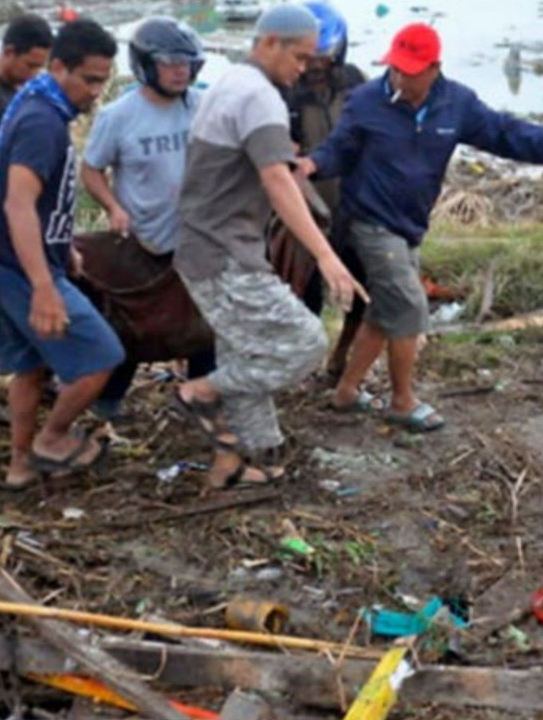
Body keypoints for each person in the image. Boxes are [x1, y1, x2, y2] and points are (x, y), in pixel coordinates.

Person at [298, 22, 543, 432]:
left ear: (434, 68)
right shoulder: (365, 101)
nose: (399, 77)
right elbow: (338, 149)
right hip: (367, 221)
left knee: (386, 308)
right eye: (395, 67)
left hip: (408, 224)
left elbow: (502, 131)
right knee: (410, 305)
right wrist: (312, 164)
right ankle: (402, 400)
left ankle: (346, 391)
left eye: (410, 70)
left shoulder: (456, 104)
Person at [172, 4, 365, 491]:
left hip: (208, 245)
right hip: (221, 253)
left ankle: (248, 459)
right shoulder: (260, 96)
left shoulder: (232, 83)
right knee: (304, 342)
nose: (303, 68)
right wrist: (326, 255)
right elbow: (276, 179)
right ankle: (200, 391)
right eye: (299, 57)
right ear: (270, 43)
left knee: (247, 348)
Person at [0, 19, 125, 488]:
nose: (97, 92)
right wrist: (44, 285)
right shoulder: (42, 122)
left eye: (104, 80)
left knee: (29, 366)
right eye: (91, 79)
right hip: (20, 268)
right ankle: (53, 438)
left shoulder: (38, 103)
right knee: (102, 355)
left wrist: (62, 248)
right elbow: (17, 203)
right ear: (59, 67)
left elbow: (40, 202)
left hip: (8, 258)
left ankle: (20, 466)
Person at [80, 16, 213, 420]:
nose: (180, 71)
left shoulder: (201, 105)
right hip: (144, 240)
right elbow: (91, 169)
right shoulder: (119, 117)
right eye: (170, 63)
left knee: (205, 323)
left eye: (187, 63)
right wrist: (113, 207)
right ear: (146, 64)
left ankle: (199, 396)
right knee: (135, 328)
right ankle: (107, 401)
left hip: (196, 238)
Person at [287, 0, 367, 378]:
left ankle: (340, 359)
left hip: (353, 204)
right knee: (305, 294)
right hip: (303, 210)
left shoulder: (355, 83)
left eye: (324, 57)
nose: (316, 67)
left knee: (361, 289)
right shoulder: (281, 91)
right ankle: (300, 363)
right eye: (309, 58)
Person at [0, 14, 54, 219]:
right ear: (8, 52)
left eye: (39, 68)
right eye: (30, 66)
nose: (34, 75)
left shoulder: (12, 90)